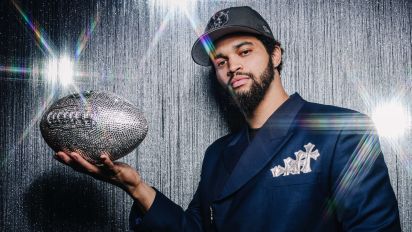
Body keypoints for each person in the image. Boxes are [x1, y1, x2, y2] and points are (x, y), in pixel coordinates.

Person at [54, 6, 401, 232]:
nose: (232, 65)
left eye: (244, 51)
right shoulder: (217, 154)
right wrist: (133, 185)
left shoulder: (343, 132)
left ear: (275, 54)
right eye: (220, 61)